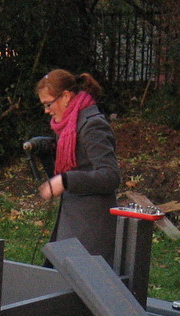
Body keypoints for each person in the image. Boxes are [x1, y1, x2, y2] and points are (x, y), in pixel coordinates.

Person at [30, 68, 121, 265]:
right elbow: (78, 158)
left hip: (91, 229)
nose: (46, 110)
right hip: (73, 223)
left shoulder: (92, 125)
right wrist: (47, 148)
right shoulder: (69, 125)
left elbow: (110, 176)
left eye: (48, 104)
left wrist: (66, 180)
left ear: (65, 96)